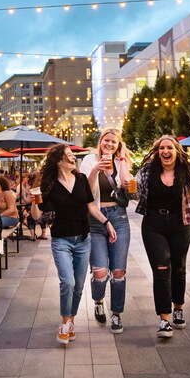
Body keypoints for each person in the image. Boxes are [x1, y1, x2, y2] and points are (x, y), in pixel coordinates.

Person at [31, 144, 116, 345]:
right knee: (67, 282)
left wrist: (107, 222)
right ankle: (65, 322)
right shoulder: (48, 183)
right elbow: (37, 216)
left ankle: (71, 321)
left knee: (78, 286)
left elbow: (91, 207)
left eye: (72, 155)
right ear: (59, 160)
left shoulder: (81, 179)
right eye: (68, 156)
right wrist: (34, 201)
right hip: (61, 240)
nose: (72, 158)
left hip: (83, 240)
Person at [136, 135, 190, 338]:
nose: (165, 151)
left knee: (179, 267)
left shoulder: (186, 172)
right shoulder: (147, 172)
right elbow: (132, 190)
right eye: (161, 148)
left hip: (180, 224)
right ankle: (164, 319)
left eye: (169, 148)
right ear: (157, 152)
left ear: (176, 151)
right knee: (161, 267)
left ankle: (178, 307)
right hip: (153, 224)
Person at [80, 128, 132, 333]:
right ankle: (98, 300)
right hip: (94, 219)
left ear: (118, 144)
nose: (109, 144)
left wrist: (125, 167)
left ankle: (117, 314)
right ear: (100, 142)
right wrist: (96, 170)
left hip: (119, 217)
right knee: (100, 272)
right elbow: (85, 190)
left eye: (114, 142)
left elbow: (129, 189)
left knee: (118, 271)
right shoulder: (88, 160)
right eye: (106, 141)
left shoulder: (121, 161)